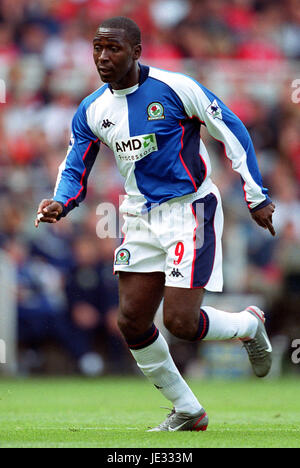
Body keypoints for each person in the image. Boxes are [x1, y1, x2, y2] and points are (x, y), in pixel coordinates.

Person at [35, 16, 276, 432]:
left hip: (190, 209)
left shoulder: (175, 88)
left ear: (136, 51)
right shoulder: (92, 109)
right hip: (139, 214)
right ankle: (188, 410)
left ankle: (249, 325)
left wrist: (256, 195)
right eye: (97, 48)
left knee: (181, 322)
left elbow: (231, 127)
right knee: (131, 320)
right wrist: (60, 202)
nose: (103, 57)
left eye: (113, 48)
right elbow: (75, 164)